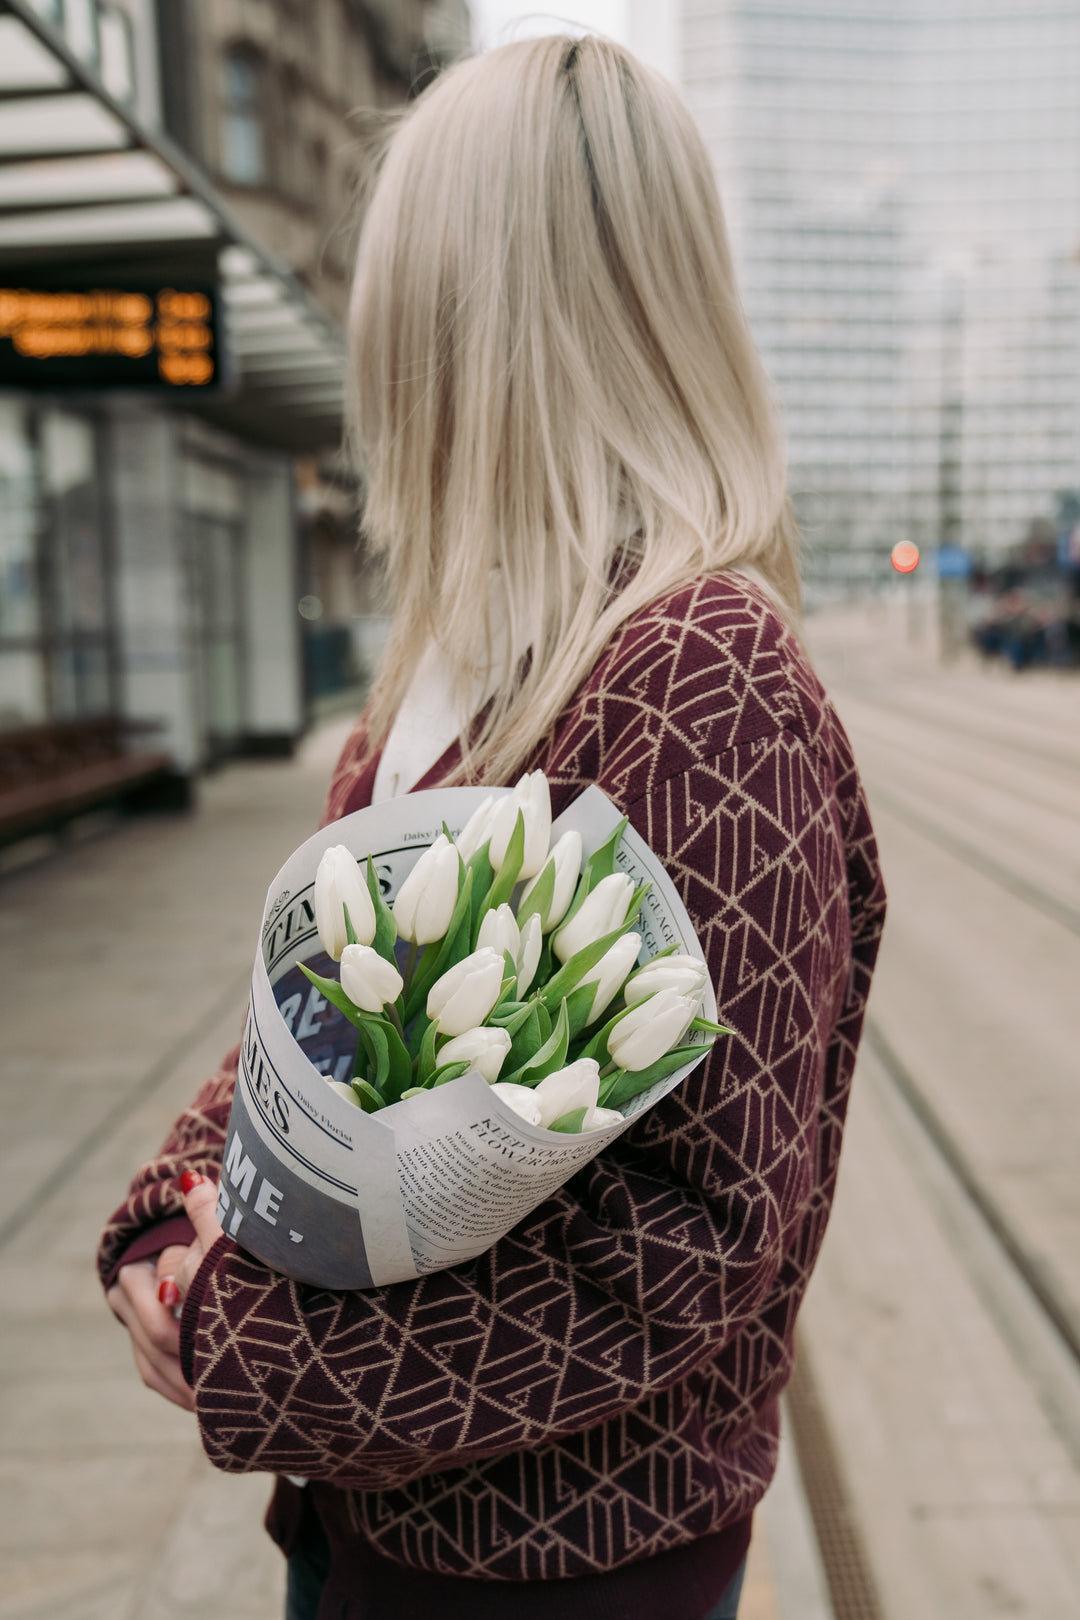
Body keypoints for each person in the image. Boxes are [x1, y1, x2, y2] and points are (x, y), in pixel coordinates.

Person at [102, 34, 886, 1620]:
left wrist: (256, 1351)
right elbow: (307, 1028)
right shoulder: (449, 666)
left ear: (473, 316)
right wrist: (173, 1210)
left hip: (565, 1578)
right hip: (375, 1535)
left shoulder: (698, 678)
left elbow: (690, 1238)